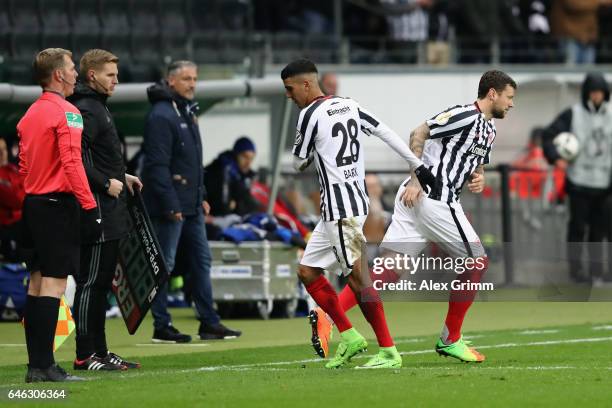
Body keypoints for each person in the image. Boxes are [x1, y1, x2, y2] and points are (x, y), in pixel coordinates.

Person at [281, 58, 434, 369]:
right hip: (353, 205)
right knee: (308, 272)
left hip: (339, 209)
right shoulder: (349, 105)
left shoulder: (309, 115)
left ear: (306, 84)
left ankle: (389, 351)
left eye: (290, 89)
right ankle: (350, 337)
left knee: (360, 281)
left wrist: (313, 151)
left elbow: (297, 163)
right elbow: (385, 132)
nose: (289, 96)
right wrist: (417, 164)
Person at [18, 48, 102, 382]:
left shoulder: (29, 114)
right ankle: (45, 367)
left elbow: (24, 165)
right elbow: (72, 164)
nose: (76, 74)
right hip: (57, 206)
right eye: (71, 68)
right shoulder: (68, 113)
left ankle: (36, 366)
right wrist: (90, 206)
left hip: (33, 205)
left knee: (36, 284)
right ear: (58, 75)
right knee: (53, 285)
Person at [142, 60, 241, 343]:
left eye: (195, 78)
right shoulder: (162, 115)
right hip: (171, 206)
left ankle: (209, 322)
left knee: (201, 261)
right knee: (165, 264)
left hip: (192, 204)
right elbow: (157, 166)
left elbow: (191, 163)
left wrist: (202, 196)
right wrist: (171, 204)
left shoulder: (185, 112)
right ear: (171, 81)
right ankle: (161, 325)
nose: (192, 84)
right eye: (186, 78)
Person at [68, 49, 143, 371]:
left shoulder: (98, 108)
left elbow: (94, 158)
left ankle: (100, 351)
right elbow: (76, 159)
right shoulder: (87, 109)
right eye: (110, 75)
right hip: (96, 210)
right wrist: (104, 183)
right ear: (92, 76)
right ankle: (86, 354)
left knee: (100, 285)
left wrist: (121, 176)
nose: (116, 80)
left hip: (109, 208)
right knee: (91, 283)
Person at [542, 72, 612, 285]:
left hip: (605, 183)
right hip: (579, 182)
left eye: (600, 92)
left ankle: (598, 272)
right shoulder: (573, 114)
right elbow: (548, 135)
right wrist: (555, 158)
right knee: (578, 229)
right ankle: (576, 272)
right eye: (593, 92)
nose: (596, 96)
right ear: (586, 93)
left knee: (602, 231)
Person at [204, 136, 259, 217]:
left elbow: (251, 204)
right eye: (245, 157)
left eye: (251, 158)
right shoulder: (221, 170)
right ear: (236, 154)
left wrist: (236, 205)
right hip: (214, 218)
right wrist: (237, 206)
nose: (248, 162)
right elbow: (223, 207)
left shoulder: (245, 175)